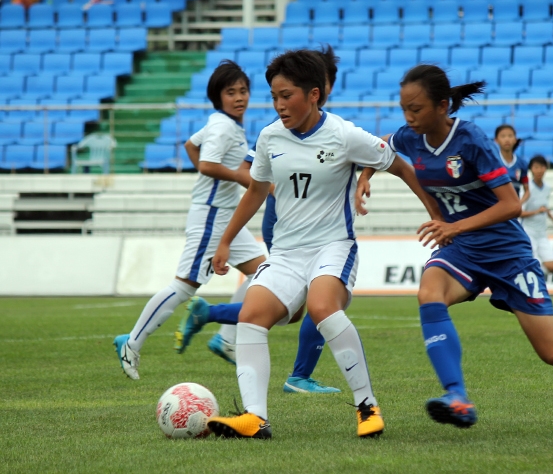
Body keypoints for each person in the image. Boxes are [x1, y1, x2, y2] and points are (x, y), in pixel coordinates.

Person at [356, 64, 553, 429]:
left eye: (416, 109)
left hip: (508, 254)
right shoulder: (411, 136)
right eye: (404, 108)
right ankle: (457, 397)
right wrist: (364, 177)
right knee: (429, 293)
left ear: (442, 105)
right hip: (463, 249)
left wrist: (453, 225)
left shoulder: (470, 140)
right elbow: (386, 145)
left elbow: (511, 205)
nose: (409, 117)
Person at [203, 49, 437, 440]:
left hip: (333, 247)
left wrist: (436, 213)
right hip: (286, 253)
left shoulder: (344, 134)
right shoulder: (269, 137)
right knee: (251, 315)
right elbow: (257, 190)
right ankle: (255, 417)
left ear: (314, 94)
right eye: (274, 96)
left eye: (287, 95)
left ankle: (367, 407)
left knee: (322, 306)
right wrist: (226, 240)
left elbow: (398, 164)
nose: (279, 105)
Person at [175, 46, 342, 395]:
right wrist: (277, 191)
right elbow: (250, 171)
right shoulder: (280, 131)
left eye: (326, 84)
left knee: (298, 305)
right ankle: (298, 376)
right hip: (288, 223)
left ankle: (214, 317)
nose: (323, 91)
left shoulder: (326, 129)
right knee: (318, 297)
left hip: (312, 226)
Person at [113, 60, 267, 380]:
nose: (239, 97)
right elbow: (207, 165)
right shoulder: (224, 127)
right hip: (211, 215)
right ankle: (132, 341)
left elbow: (190, 145)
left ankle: (226, 338)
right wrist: (238, 177)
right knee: (185, 286)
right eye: (231, 92)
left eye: (244, 91)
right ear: (218, 96)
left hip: (223, 215)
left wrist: (230, 180)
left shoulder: (222, 123)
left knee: (264, 272)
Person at [520, 155, 553, 275]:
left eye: (542, 167)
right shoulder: (527, 189)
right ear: (531, 169)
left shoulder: (547, 188)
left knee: (552, 267)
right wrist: (536, 212)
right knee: (533, 264)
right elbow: (519, 212)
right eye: (536, 167)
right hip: (528, 232)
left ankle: (532, 277)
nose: (539, 170)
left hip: (542, 233)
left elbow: (544, 207)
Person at [494, 124, 530, 204]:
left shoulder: (522, 163)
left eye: (510, 136)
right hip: (496, 209)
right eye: (503, 136)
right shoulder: (492, 162)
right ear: (496, 140)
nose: (507, 139)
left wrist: (518, 204)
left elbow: (527, 191)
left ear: (515, 139)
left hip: (513, 212)